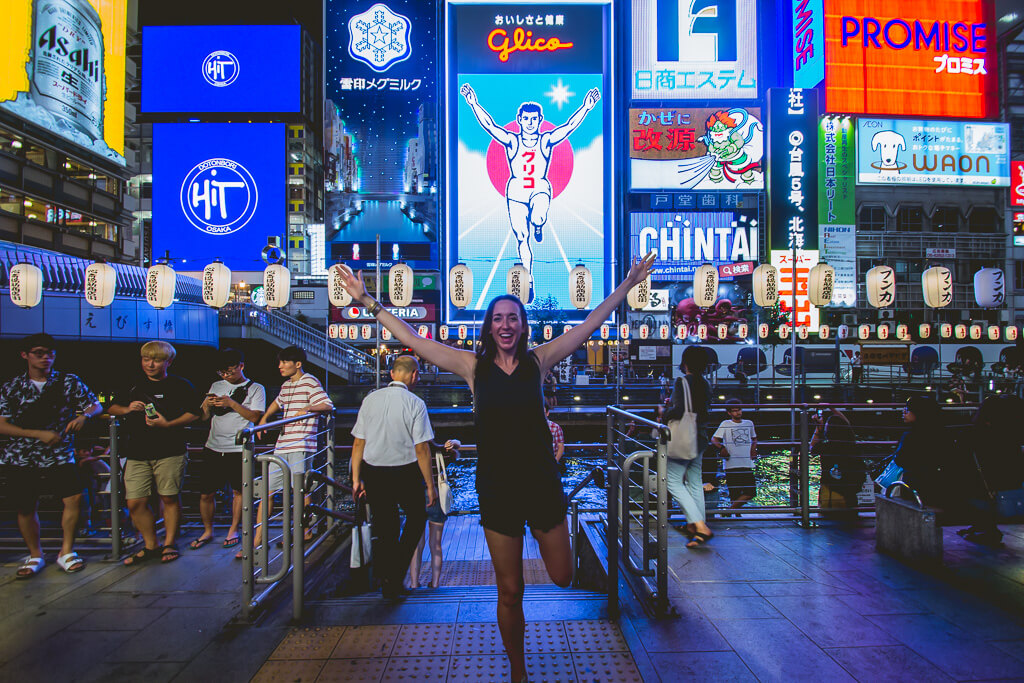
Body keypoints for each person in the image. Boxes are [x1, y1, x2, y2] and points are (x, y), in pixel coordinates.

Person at [337, 251, 654, 683]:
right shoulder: (473, 368)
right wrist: (369, 302)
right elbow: (414, 339)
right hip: (498, 487)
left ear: (523, 326)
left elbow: (589, 325)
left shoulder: (539, 362)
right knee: (510, 590)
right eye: (498, 318)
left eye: (513, 318)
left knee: (562, 577)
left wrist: (628, 284)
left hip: (542, 483)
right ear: (489, 327)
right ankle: (518, 671)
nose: (505, 325)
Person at [460, 83, 601, 298]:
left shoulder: (546, 140)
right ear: (519, 120)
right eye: (526, 119)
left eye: (534, 119)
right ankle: (529, 279)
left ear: (540, 120)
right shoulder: (512, 140)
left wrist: (586, 107)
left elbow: (568, 126)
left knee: (538, 216)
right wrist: (473, 103)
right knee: (521, 237)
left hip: (539, 188)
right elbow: (490, 126)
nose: (530, 123)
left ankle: (538, 224)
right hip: (516, 191)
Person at [0, 333, 103, 577]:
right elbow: (2, 423)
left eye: (50, 353)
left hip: (59, 453)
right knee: (25, 506)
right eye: (39, 353)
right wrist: (37, 434)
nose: (46, 358)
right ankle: (35, 554)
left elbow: (95, 404)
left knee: (74, 498)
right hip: (21, 455)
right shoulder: (12, 386)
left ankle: (66, 551)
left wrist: (83, 416)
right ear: (25, 355)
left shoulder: (68, 381)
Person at [350, 355, 437, 599]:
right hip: (405, 470)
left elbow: (359, 442)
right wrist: (430, 485)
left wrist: (356, 479)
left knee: (386, 526)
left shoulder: (370, 400)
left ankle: (387, 578)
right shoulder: (415, 403)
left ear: (391, 374)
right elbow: (422, 448)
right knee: (417, 519)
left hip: (374, 470)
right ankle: (395, 574)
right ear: (414, 375)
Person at [109, 341, 200, 566]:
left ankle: (169, 543)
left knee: (168, 497)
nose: (150, 364)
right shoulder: (131, 384)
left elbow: (195, 413)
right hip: (136, 451)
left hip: (171, 450)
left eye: (157, 360)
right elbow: (111, 407)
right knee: (134, 502)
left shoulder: (181, 385)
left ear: (168, 362)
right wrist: (128, 409)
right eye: (146, 359)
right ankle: (151, 545)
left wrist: (168, 424)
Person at [245, 346, 333, 558]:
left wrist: (309, 409)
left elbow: (327, 404)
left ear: (298, 364)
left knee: (300, 491)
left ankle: (304, 530)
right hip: (283, 444)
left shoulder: (310, 381)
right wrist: (265, 419)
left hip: (302, 444)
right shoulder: (286, 386)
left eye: (285, 362)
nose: (280, 366)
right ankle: (258, 538)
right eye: (280, 362)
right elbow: (278, 402)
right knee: (266, 490)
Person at [192, 348, 265, 550]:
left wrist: (231, 403)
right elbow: (204, 418)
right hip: (213, 446)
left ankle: (234, 529)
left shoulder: (256, 388)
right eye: (222, 373)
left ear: (241, 366)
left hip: (239, 449)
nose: (226, 376)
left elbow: (254, 417)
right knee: (206, 493)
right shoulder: (216, 385)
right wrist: (207, 405)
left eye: (230, 372)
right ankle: (208, 530)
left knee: (239, 491)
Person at [958, 395, 1024, 546]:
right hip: (1008, 486)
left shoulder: (973, 434)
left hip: (980, 485)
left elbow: (962, 459)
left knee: (975, 496)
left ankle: (983, 528)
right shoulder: (1013, 436)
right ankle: (985, 528)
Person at [666, 347, 715, 547]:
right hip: (701, 435)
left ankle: (700, 526)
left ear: (685, 362)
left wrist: (664, 412)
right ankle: (695, 527)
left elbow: (677, 410)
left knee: (673, 481)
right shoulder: (706, 383)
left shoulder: (682, 382)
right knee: (695, 482)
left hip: (684, 437)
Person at [409, 438, 461, 590]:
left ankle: (413, 583)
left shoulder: (409, 453)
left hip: (415, 497)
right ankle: (435, 582)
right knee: (436, 544)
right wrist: (454, 443)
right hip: (436, 497)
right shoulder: (439, 452)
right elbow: (456, 451)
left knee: (416, 545)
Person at [891, 396, 948, 505]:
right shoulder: (944, 434)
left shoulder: (910, 436)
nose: (904, 412)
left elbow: (901, 460)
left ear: (918, 412)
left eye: (907, 410)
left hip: (914, 486)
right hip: (939, 485)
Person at [811, 407, 864, 515]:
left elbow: (812, 448)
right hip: (849, 495)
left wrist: (818, 428)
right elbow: (847, 424)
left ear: (828, 431)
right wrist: (831, 407)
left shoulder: (827, 447)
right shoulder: (852, 446)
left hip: (830, 496)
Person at [712, 398, 758, 514]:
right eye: (734, 411)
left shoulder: (749, 423)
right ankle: (735, 513)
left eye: (739, 410)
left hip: (746, 462)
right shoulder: (725, 424)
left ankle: (730, 511)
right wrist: (722, 448)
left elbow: (754, 439)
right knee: (735, 492)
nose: (738, 412)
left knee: (751, 492)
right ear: (729, 413)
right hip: (731, 463)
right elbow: (714, 438)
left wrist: (753, 451)